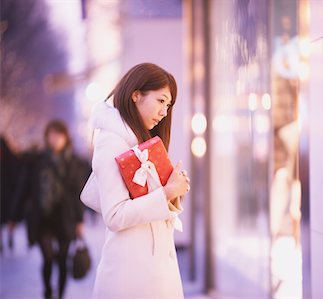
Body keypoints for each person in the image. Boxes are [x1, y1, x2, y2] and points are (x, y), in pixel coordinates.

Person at [82, 63, 190, 298]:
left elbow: (150, 209)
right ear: (136, 95)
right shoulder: (112, 143)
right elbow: (115, 215)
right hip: (130, 278)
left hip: (153, 274)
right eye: (161, 101)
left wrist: (173, 191)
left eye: (168, 105)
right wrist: (167, 192)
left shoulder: (142, 143)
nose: (164, 112)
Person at [10, 121, 89, 299]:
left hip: (65, 218)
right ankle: (47, 291)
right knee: (47, 257)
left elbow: (78, 193)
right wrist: (14, 217)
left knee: (62, 259)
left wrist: (79, 220)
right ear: (46, 137)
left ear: (65, 137)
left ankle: (60, 294)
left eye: (58, 135)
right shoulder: (37, 161)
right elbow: (24, 189)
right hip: (43, 217)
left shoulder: (74, 162)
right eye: (51, 135)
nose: (54, 139)